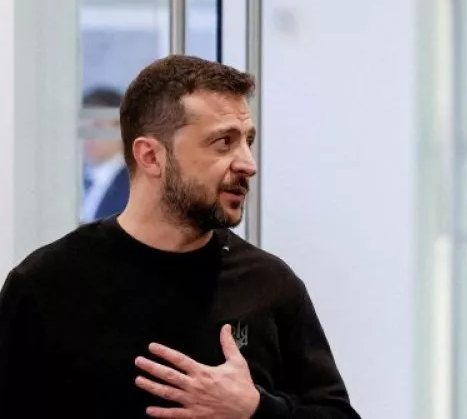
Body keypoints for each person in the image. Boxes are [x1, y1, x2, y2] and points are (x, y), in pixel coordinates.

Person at [0, 55, 360, 419]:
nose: (247, 164)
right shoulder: (45, 285)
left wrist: (255, 409)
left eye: (247, 142)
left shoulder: (269, 285)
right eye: (224, 142)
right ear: (150, 157)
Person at [81, 86, 130, 222]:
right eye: (83, 126)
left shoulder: (135, 188)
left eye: (98, 125)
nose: (88, 135)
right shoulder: (71, 182)